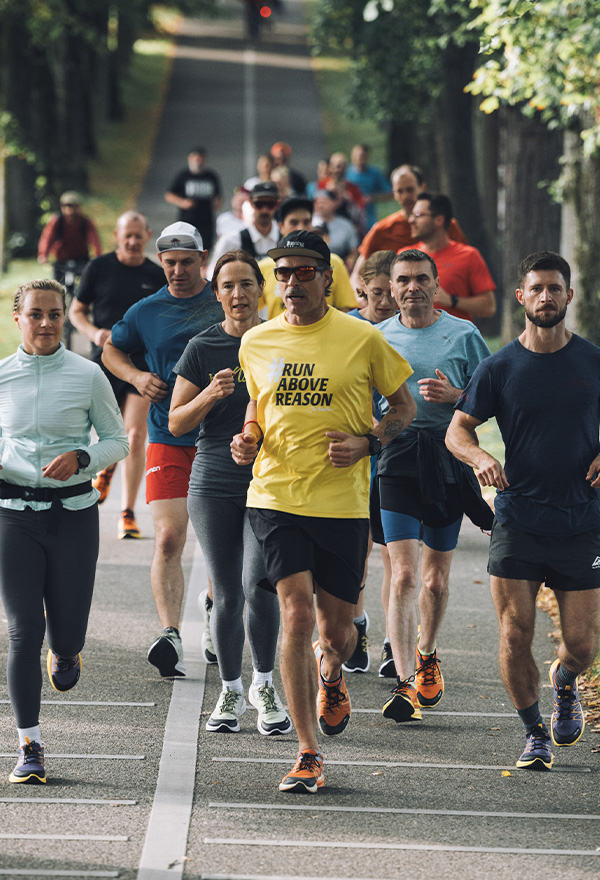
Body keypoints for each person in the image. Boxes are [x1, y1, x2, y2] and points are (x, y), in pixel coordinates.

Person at [230, 230, 416, 793]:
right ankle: (307, 751)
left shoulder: (361, 338)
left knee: (339, 634)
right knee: (296, 614)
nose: (290, 283)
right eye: (281, 274)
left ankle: (330, 672)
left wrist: (369, 441)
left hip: (341, 504)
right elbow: (257, 406)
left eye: (302, 273)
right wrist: (248, 435)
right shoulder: (256, 342)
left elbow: (404, 407)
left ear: (325, 278)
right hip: (276, 497)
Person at [446, 251, 600, 772]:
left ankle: (564, 680)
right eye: (536, 289)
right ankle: (534, 731)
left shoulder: (593, 362)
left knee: (581, 646)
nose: (546, 297)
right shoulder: (500, 367)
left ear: (568, 296)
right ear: (521, 297)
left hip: (582, 521)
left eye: (555, 288)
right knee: (515, 632)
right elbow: (457, 430)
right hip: (519, 518)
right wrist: (481, 456)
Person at [0, 279, 128, 785]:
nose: (47, 323)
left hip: (73, 514)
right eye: (36, 315)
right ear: (19, 319)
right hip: (12, 516)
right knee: (22, 630)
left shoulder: (87, 375)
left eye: (55, 314)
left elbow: (116, 440)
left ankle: (68, 648)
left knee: (66, 629)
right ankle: (29, 744)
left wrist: (83, 457)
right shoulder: (1, 377)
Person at [169, 251, 291, 736]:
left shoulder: (282, 341)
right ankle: (230, 690)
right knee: (227, 593)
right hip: (215, 478)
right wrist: (210, 395)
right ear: (215, 292)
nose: (238, 295)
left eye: (246, 284)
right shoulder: (202, 347)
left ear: (260, 290)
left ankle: (264, 685)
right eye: (228, 286)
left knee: (260, 586)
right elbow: (177, 421)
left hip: (271, 477)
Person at [373, 250, 491, 724]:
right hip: (397, 458)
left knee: (435, 580)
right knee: (402, 574)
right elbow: (360, 400)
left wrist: (457, 397)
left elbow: (493, 399)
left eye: (422, 279)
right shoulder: (376, 337)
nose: (413, 287)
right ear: (393, 286)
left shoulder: (464, 335)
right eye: (404, 280)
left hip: (447, 459)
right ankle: (403, 684)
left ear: (437, 283)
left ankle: (427, 653)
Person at [102, 222, 224, 678]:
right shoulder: (147, 310)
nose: (177, 270)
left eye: (186, 262)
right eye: (169, 263)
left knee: (218, 543)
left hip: (220, 438)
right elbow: (113, 350)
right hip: (168, 436)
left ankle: (215, 611)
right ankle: (171, 632)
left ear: (203, 259)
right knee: (170, 537)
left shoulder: (223, 300)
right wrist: (134, 377)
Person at [68, 211, 166, 539]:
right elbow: (76, 310)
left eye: (140, 236)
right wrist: (94, 334)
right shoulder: (99, 267)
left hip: (142, 364)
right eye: (128, 236)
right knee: (109, 433)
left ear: (148, 235)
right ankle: (105, 467)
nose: (134, 242)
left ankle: (127, 512)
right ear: (117, 235)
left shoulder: (157, 275)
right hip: (106, 360)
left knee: (136, 436)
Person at [343, 251, 399, 675]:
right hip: (355, 452)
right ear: (362, 290)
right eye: (376, 293)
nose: (384, 302)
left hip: (395, 450)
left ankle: (391, 641)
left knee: (393, 553)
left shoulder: (404, 330)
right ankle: (356, 625)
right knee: (356, 548)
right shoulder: (347, 328)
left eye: (389, 293)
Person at [350, 165, 466, 289]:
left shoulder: (444, 224)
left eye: (410, 190)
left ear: (422, 187)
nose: (405, 196)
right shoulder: (382, 230)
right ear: (393, 193)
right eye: (400, 191)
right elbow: (357, 275)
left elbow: (466, 265)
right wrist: (363, 300)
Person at [257, 196, 357, 318]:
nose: (301, 228)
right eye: (283, 272)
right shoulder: (263, 267)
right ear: (281, 227)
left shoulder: (333, 262)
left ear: (327, 276)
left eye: (306, 222)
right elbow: (250, 309)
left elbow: (346, 309)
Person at [400, 193, 496, 320]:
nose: (411, 220)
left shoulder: (469, 255)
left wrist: (452, 301)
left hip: (455, 338)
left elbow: (489, 307)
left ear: (439, 220)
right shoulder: (403, 257)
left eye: (418, 215)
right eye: (412, 215)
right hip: (414, 337)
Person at [208, 182, 280, 277]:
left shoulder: (285, 239)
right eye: (259, 204)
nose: (264, 210)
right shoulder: (232, 240)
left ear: (277, 204)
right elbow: (213, 273)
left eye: (270, 204)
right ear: (250, 203)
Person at [165, 148, 222, 252]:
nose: (198, 161)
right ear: (190, 159)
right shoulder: (184, 176)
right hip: (188, 219)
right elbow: (169, 195)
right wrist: (182, 202)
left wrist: (216, 203)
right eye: (195, 158)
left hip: (206, 220)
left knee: (204, 248)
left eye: (200, 159)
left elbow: (218, 196)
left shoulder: (211, 176)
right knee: (186, 247)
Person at [37, 191, 102, 282]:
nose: (70, 209)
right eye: (67, 206)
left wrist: (98, 257)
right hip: (61, 260)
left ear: (79, 207)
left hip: (81, 259)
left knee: (88, 282)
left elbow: (94, 239)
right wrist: (43, 254)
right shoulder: (57, 221)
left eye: (74, 206)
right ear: (62, 207)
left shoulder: (85, 222)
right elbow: (47, 237)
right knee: (58, 284)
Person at [345, 144, 393, 231]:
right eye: (356, 155)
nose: (359, 158)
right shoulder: (346, 173)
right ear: (352, 156)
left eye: (362, 155)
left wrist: (371, 198)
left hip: (368, 218)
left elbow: (389, 193)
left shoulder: (375, 173)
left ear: (367, 156)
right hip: (349, 217)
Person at [312, 188, 358, 267]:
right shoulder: (308, 223)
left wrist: (351, 261)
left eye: (324, 202)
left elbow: (354, 251)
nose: (320, 206)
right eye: (317, 203)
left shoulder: (346, 225)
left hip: (339, 264)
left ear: (334, 203)